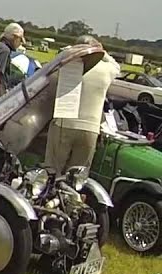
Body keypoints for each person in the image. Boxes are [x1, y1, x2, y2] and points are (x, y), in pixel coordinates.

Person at [46, 35, 117, 173]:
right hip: (91, 128)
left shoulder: (68, 65)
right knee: (77, 175)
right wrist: (103, 52)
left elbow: (49, 74)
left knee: (52, 170)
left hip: (64, 123)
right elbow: (116, 65)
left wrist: (69, 51)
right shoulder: (107, 70)